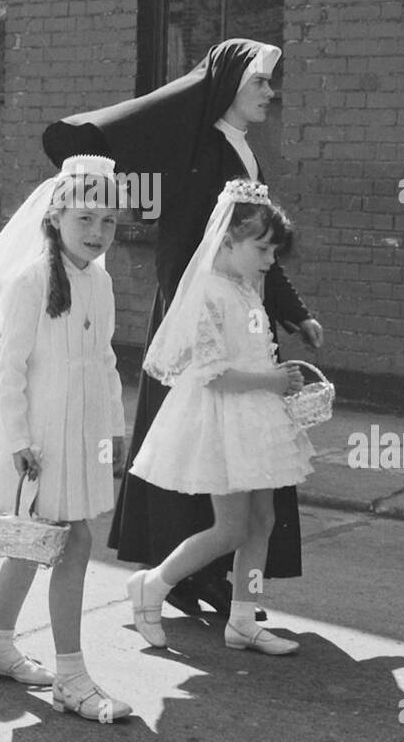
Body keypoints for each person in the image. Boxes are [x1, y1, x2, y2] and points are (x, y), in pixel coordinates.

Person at [44, 38, 323, 618]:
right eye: (260, 83)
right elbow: (184, 246)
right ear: (228, 87)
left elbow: (259, 244)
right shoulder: (204, 154)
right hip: (201, 325)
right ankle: (193, 574)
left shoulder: (243, 152)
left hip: (239, 316)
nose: (271, 93)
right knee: (203, 455)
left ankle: (222, 580)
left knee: (239, 465)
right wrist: (193, 327)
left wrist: (292, 311)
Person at [0, 155, 131, 722]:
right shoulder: (30, 281)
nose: (97, 233)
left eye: (108, 222)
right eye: (85, 220)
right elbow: (15, 369)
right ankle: (71, 676)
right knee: (67, 541)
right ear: (54, 219)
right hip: (41, 439)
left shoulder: (100, 281)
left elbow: (106, 360)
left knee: (42, 542)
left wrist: (116, 428)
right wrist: (20, 440)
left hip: (86, 432)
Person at [126, 180, 314, 655]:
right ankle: (152, 582)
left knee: (263, 520)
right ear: (228, 239)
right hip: (224, 417)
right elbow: (211, 372)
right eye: (263, 248)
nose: (271, 259)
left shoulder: (249, 288)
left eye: (274, 250)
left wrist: (276, 381)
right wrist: (272, 381)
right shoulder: (209, 290)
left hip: (256, 415)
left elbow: (253, 349)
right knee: (230, 527)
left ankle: (243, 619)